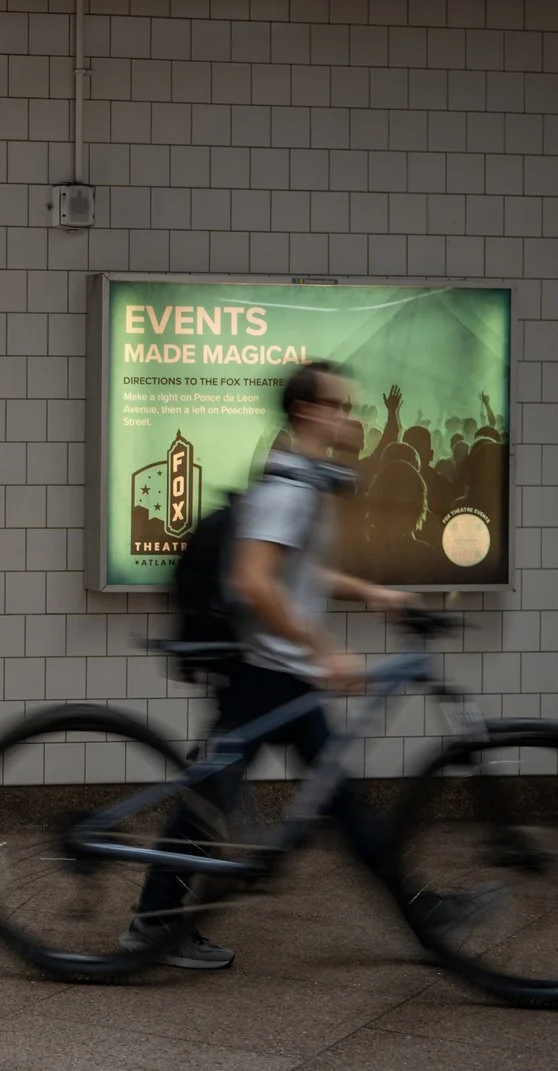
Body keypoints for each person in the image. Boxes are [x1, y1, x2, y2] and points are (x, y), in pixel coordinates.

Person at [127, 360, 439, 970]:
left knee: (330, 802)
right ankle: (148, 928)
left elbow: (297, 572)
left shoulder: (305, 482)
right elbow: (254, 582)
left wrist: (374, 594)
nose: (353, 419)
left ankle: (427, 918)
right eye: (341, 407)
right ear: (308, 413)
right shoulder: (288, 488)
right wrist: (326, 652)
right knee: (215, 800)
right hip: (267, 674)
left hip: (281, 674)